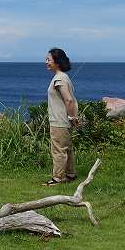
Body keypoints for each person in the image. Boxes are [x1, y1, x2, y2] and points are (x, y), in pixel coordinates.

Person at [44, 47, 79, 185]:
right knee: (67, 148)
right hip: (64, 121)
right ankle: (70, 174)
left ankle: (58, 178)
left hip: (59, 121)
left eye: (49, 59)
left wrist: (71, 117)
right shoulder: (64, 77)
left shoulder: (59, 79)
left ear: (57, 61)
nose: (46, 62)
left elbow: (68, 100)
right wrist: (73, 118)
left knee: (58, 150)